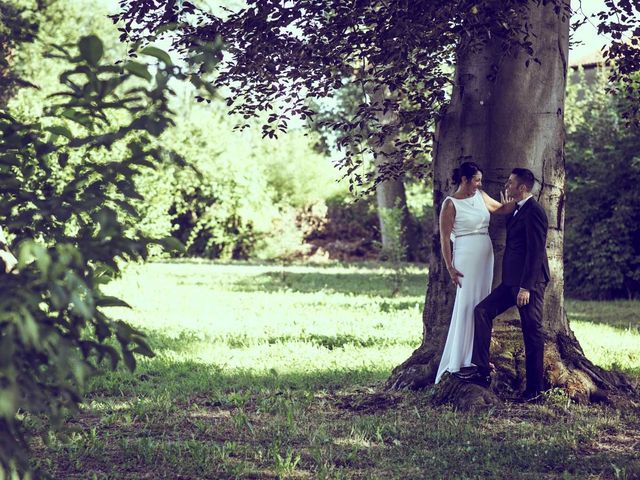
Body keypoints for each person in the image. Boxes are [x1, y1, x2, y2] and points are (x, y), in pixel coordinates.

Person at [455, 168, 550, 401]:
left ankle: (535, 391)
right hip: (510, 282)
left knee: (532, 332)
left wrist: (526, 287)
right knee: (482, 311)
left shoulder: (534, 212)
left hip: (529, 283)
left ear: (522, 188)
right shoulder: (517, 210)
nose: (506, 187)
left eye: (510, 184)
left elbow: (536, 252)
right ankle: (481, 370)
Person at [435, 162, 516, 384]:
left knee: (481, 303)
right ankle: (459, 359)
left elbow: (500, 210)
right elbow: (444, 239)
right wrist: (450, 266)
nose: (479, 183)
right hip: (465, 257)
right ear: (464, 179)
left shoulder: (480, 195)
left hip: (485, 256)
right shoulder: (450, 205)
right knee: (466, 303)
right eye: (477, 179)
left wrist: (514, 201)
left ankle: (477, 357)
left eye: (480, 180)